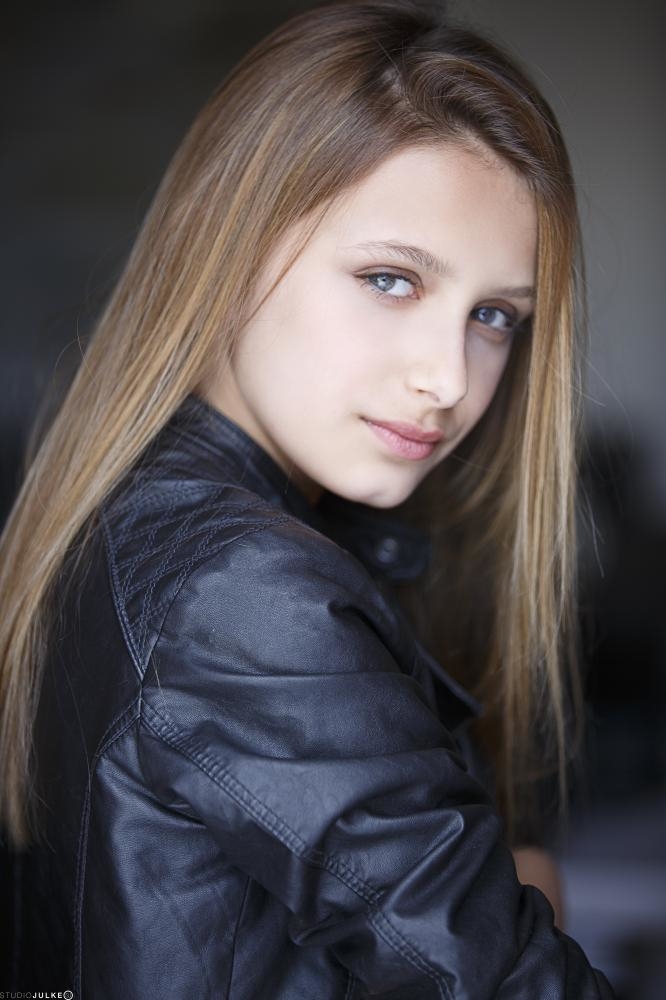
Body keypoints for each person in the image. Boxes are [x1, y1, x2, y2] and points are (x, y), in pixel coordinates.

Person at [0, 0, 615, 996]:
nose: (448, 378)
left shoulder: (134, 512)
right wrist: (528, 884)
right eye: (390, 280)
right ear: (229, 245)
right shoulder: (244, 592)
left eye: (495, 315)